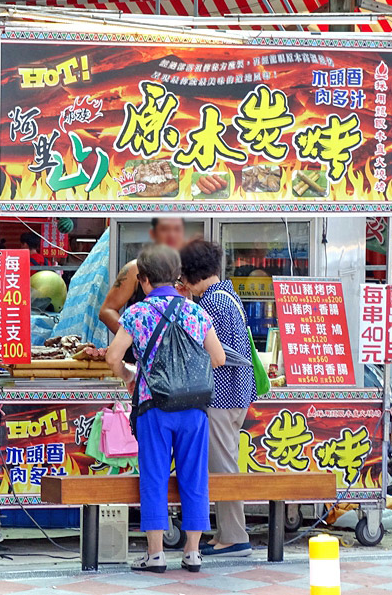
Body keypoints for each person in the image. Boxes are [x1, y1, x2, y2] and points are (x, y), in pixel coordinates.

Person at [104, 244, 226, 574]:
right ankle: (192, 552)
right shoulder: (196, 312)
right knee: (195, 477)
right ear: (176, 277)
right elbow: (219, 358)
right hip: (194, 409)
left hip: (153, 406)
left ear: (143, 280)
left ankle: (155, 554)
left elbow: (113, 357)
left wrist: (130, 374)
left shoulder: (137, 314)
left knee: (154, 477)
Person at [180, 239, 256, 558]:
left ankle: (235, 537)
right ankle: (226, 532)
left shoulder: (210, 304)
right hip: (237, 393)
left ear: (193, 273)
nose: (181, 282)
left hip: (221, 396)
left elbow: (214, 355)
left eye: (184, 275)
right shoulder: (227, 295)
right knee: (225, 461)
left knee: (223, 467)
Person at [99, 218, 187, 336]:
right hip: (141, 352)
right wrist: (135, 338)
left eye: (176, 230)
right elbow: (107, 311)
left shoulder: (192, 267)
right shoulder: (135, 268)